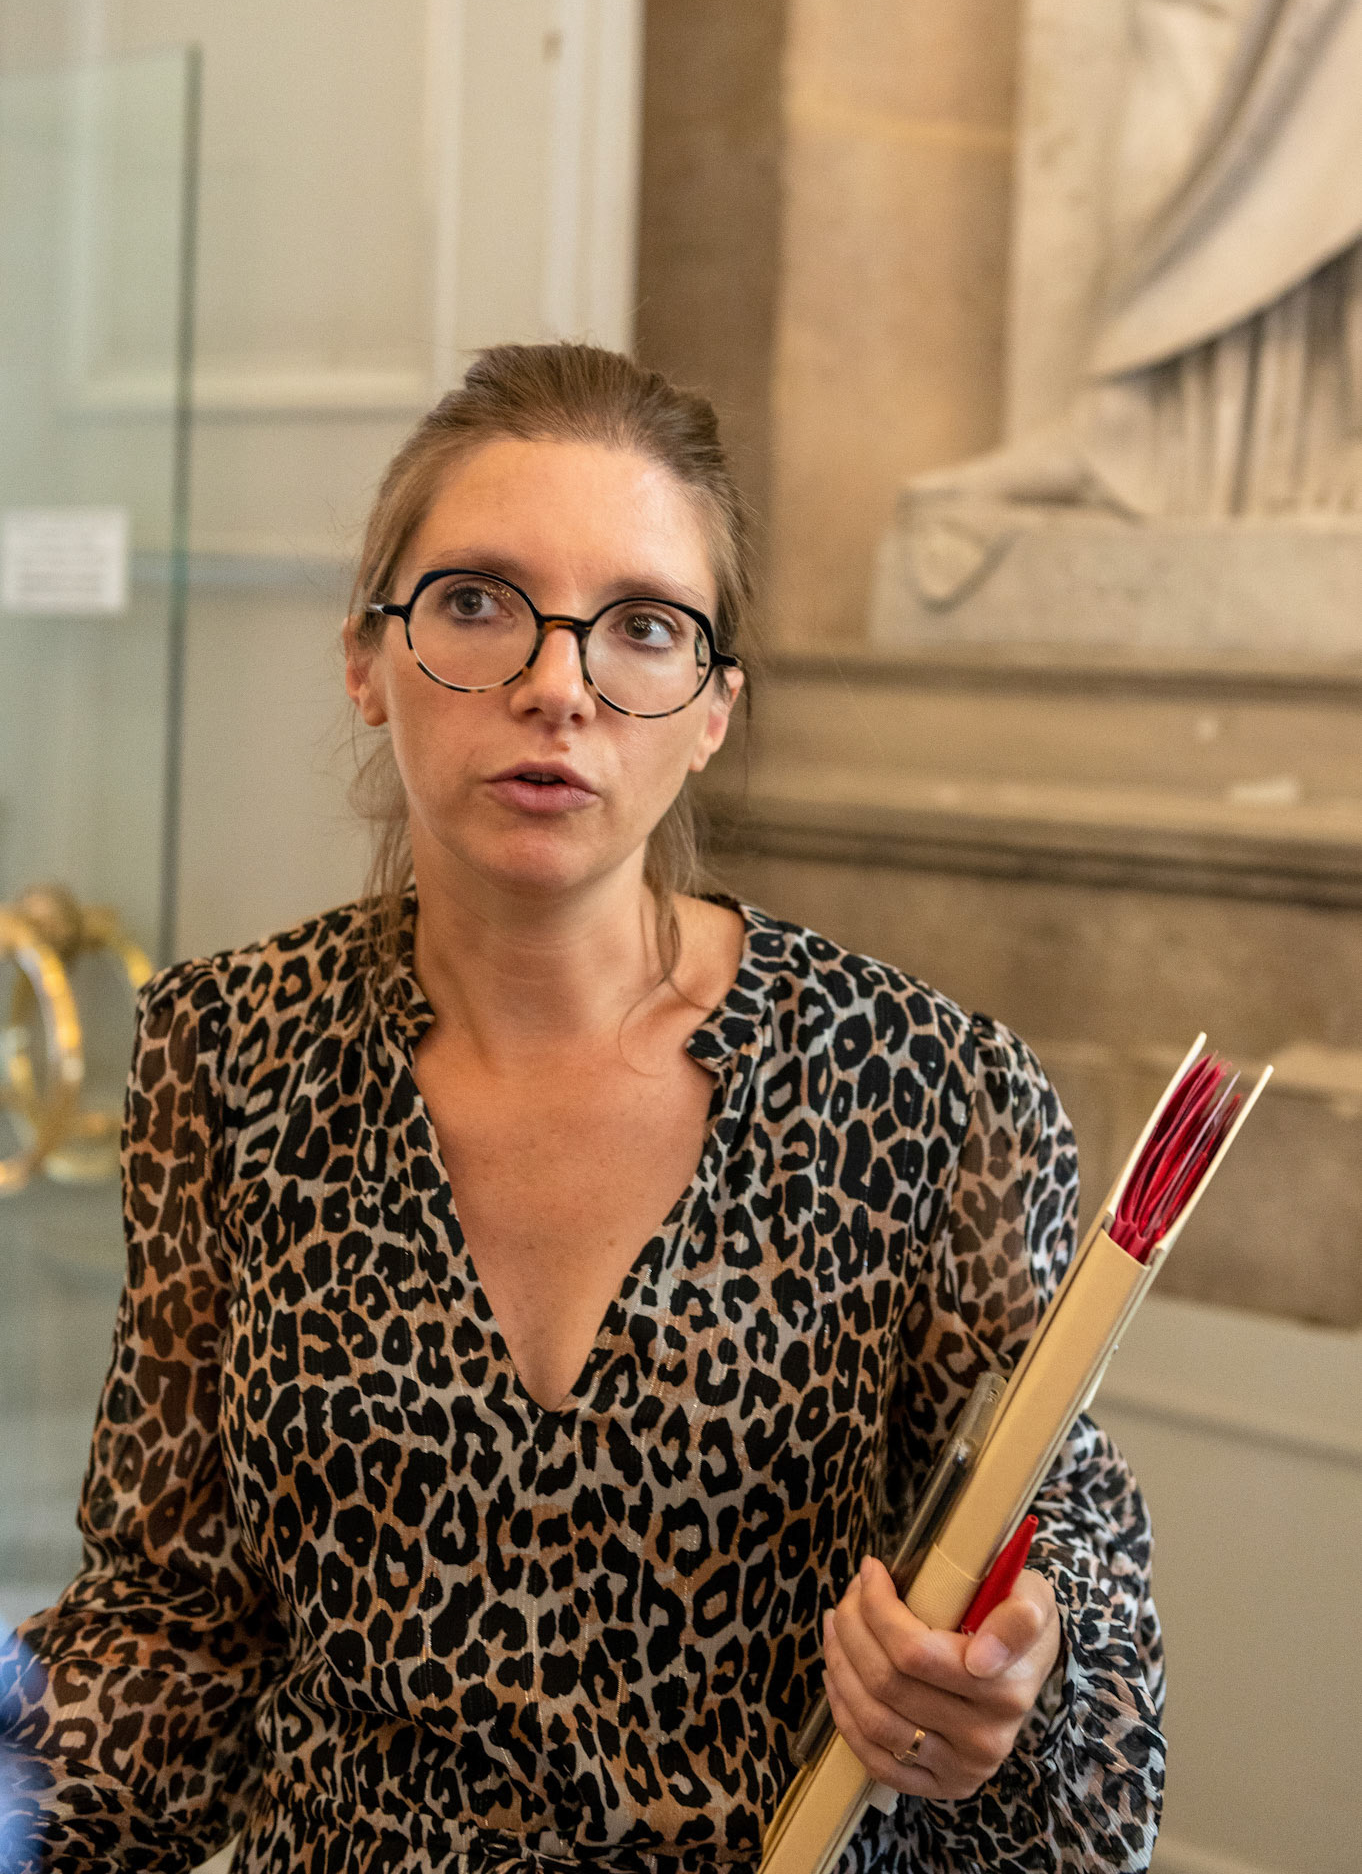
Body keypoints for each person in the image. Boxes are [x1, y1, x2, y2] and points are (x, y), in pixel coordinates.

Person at [0, 344, 1164, 1872]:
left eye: (639, 628)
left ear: (711, 708)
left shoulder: (933, 1090)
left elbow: (1064, 1551)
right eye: (477, 602)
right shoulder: (228, 1051)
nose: (558, 684)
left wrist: (1019, 1675)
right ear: (365, 655)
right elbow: (178, 1628)